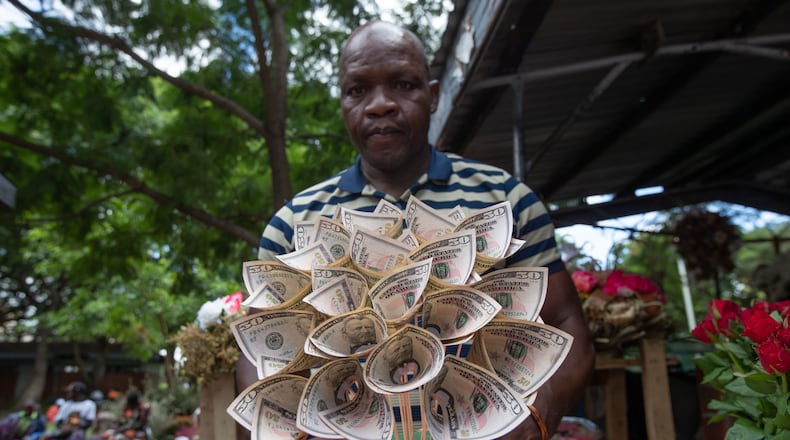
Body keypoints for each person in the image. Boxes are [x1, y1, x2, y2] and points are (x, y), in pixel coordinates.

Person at [238, 20, 595, 439]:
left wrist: (537, 418)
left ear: (434, 96)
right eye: (357, 90)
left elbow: (568, 326)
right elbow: (259, 354)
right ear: (343, 103)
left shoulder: (507, 201)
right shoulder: (295, 222)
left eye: (404, 84)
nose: (380, 105)